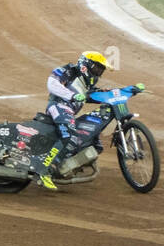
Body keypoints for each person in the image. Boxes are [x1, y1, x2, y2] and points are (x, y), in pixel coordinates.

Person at [29, 51, 110, 190]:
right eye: (97, 68)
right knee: (69, 135)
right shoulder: (69, 70)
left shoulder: (86, 84)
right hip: (57, 106)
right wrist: (71, 95)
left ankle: (67, 165)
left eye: (100, 71)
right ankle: (42, 170)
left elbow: (90, 96)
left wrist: (115, 93)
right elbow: (52, 83)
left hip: (68, 112)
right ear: (86, 65)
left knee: (93, 142)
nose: (98, 73)